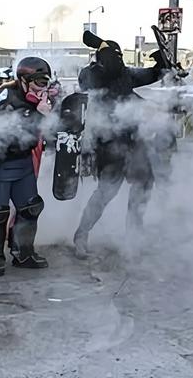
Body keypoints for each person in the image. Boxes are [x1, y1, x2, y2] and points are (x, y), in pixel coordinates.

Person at [73, 35, 170, 259]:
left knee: (144, 185)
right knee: (106, 192)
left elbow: (149, 74)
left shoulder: (123, 74)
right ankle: (81, 234)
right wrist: (103, 47)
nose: (117, 60)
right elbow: (107, 71)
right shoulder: (90, 73)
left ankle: (134, 237)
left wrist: (161, 63)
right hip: (108, 144)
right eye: (112, 55)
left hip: (134, 141)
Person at [0, 57, 57, 275]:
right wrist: (40, 115)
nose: (42, 88)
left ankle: (23, 251)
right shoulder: (5, 101)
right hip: (1, 165)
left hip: (23, 163)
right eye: (39, 82)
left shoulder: (36, 99)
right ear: (24, 80)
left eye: (45, 82)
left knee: (30, 208)